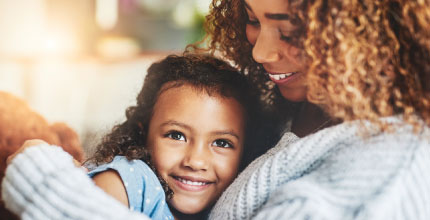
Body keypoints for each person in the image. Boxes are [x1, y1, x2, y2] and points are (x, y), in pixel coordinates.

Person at [2, 0, 430, 219]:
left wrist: (45, 184)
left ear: (369, 32)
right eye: (252, 18)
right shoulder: (287, 103)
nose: (261, 50)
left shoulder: (390, 169)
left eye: (291, 28)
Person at [2, 54, 273, 220]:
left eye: (222, 143)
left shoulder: (226, 203)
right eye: (176, 135)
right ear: (144, 132)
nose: (196, 160)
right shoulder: (130, 179)